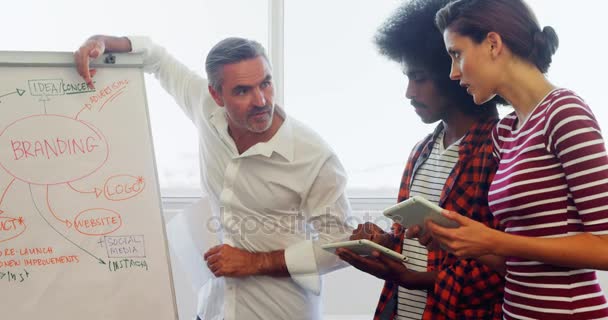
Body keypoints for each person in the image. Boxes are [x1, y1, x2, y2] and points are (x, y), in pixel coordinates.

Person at [74, 35, 352, 320]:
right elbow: (157, 58)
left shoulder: (314, 156)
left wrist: (257, 262)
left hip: (277, 312)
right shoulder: (206, 108)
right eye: (243, 91)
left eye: (266, 83)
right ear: (216, 95)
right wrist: (103, 42)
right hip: (213, 308)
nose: (261, 101)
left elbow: (342, 246)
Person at [426, 0, 608, 319]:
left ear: (493, 44)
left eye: (457, 54)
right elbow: (522, 261)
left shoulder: (564, 113)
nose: (453, 73)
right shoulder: (506, 132)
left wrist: (495, 240)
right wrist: (468, 242)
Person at [336, 0, 504, 319]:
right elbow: (413, 245)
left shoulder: (501, 149)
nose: (409, 93)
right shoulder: (421, 152)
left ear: (454, 73)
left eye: (419, 78)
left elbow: (506, 270)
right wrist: (382, 243)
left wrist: (413, 280)